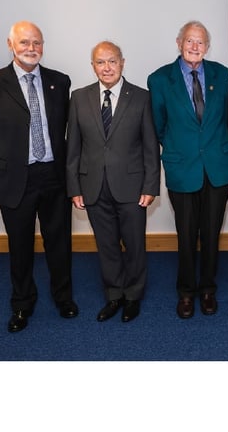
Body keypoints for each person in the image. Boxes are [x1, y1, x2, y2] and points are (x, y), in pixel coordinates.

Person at [0, 20, 78, 332]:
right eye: (24, 43)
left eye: (37, 43)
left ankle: (63, 298)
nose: (31, 49)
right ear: (11, 45)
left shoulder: (60, 82)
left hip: (54, 177)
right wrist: (6, 165)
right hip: (16, 179)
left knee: (59, 243)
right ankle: (22, 304)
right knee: (20, 247)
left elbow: (64, 131)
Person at [66, 41, 160, 323]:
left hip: (132, 187)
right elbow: (73, 147)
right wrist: (74, 187)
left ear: (122, 62)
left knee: (134, 244)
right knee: (105, 245)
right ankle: (114, 294)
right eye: (100, 62)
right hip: (93, 185)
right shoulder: (79, 97)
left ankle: (133, 296)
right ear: (93, 66)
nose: (106, 67)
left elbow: (150, 146)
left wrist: (150, 186)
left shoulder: (141, 97)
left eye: (112, 61)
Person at [148, 20, 228, 319]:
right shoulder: (159, 79)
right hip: (182, 168)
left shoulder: (222, 75)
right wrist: (179, 148)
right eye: (189, 41)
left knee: (211, 234)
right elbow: (158, 126)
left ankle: (208, 289)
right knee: (185, 235)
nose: (195, 47)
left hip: (218, 169)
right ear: (178, 42)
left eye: (200, 42)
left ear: (207, 47)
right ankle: (186, 292)